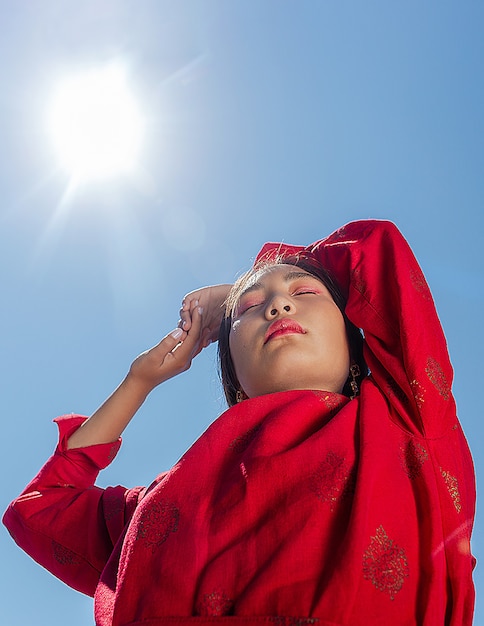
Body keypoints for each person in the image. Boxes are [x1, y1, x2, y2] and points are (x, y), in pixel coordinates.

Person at [3, 220, 476, 626]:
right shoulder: (157, 508)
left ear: (356, 351)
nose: (278, 306)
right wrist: (139, 381)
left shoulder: (406, 420)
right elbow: (40, 509)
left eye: (305, 292)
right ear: (234, 371)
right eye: (250, 309)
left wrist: (237, 290)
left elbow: (375, 245)